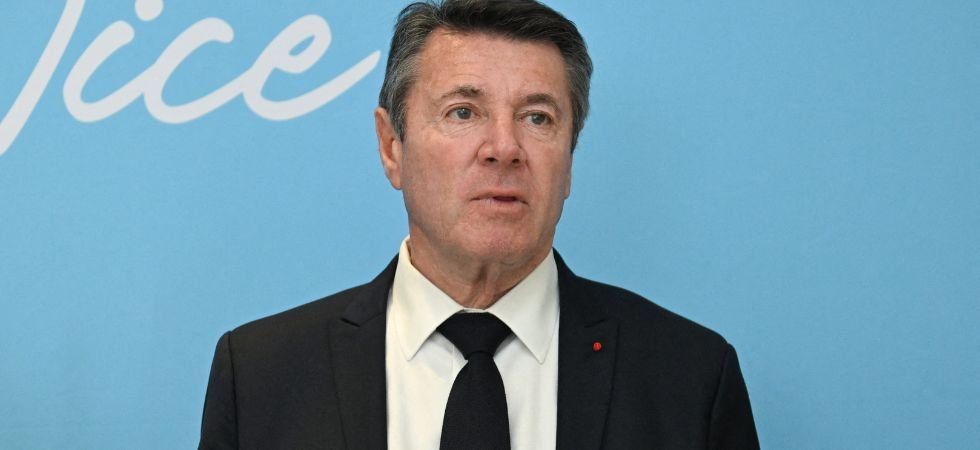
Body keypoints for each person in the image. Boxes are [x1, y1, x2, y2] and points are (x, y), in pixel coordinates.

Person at [198, 0, 760, 448]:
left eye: (537, 117)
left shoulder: (689, 376)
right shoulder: (262, 375)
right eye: (463, 112)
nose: (504, 147)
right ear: (392, 147)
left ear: (569, 160)